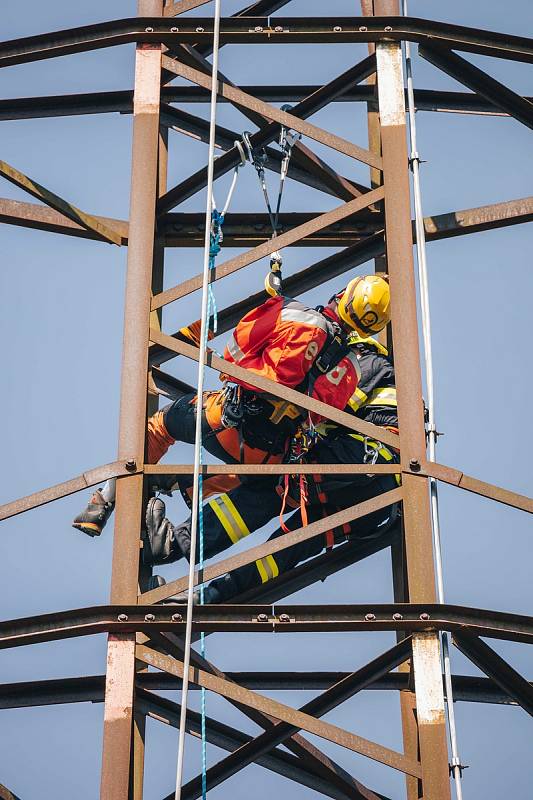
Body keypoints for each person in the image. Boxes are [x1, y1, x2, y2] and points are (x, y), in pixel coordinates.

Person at [72, 274, 391, 538]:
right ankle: (181, 488)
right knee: (248, 478)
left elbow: (234, 353)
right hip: (270, 456)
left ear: (343, 294)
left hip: (228, 425)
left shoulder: (295, 314)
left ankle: (103, 502)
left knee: (164, 424)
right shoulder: (351, 369)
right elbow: (316, 420)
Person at [143, 328, 400, 603]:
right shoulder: (371, 371)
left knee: (271, 494)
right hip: (369, 493)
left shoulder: (364, 364)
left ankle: (174, 547)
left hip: (360, 473)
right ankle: (203, 593)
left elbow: (337, 420)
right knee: (285, 543)